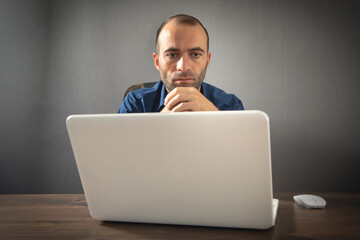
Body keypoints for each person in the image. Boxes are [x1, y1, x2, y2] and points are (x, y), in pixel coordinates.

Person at [118, 14, 244, 113]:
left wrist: (215, 117)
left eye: (195, 54)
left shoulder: (231, 105)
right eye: (172, 55)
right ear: (157, 61)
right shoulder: (135, 104)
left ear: (207, 60)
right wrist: (161, 121)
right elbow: (120, 146)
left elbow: (241, 146)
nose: (183, 67)